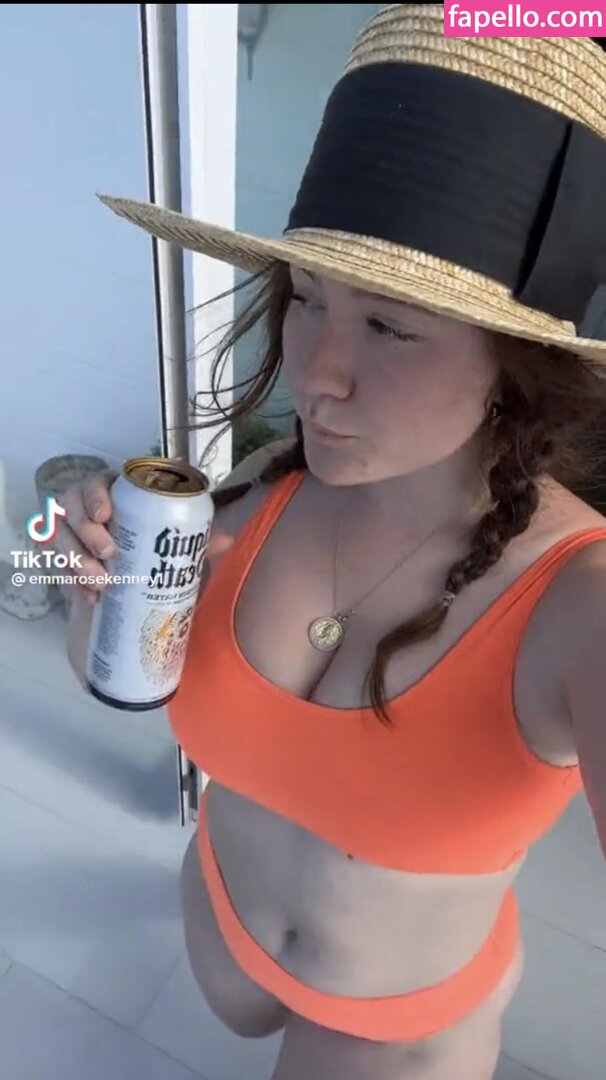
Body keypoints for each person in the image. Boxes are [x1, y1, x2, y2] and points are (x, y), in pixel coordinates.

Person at [62, 7, 606, 1079]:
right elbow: (109, 675)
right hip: (219, 918)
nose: (317, 375)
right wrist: (100, 601)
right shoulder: (256, 491)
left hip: (399, 1028)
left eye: (392, 325)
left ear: (522, 363)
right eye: (308, 299)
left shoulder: (581, 597)